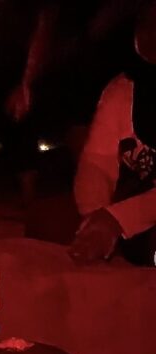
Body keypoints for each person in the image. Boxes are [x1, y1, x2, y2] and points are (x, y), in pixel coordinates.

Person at [69, 1, 156, 265]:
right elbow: (97, 162)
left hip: (141, 213)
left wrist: (117, 220)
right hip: (137, 206)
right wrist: (94, 218)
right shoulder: (123, 89)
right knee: (47, 220)